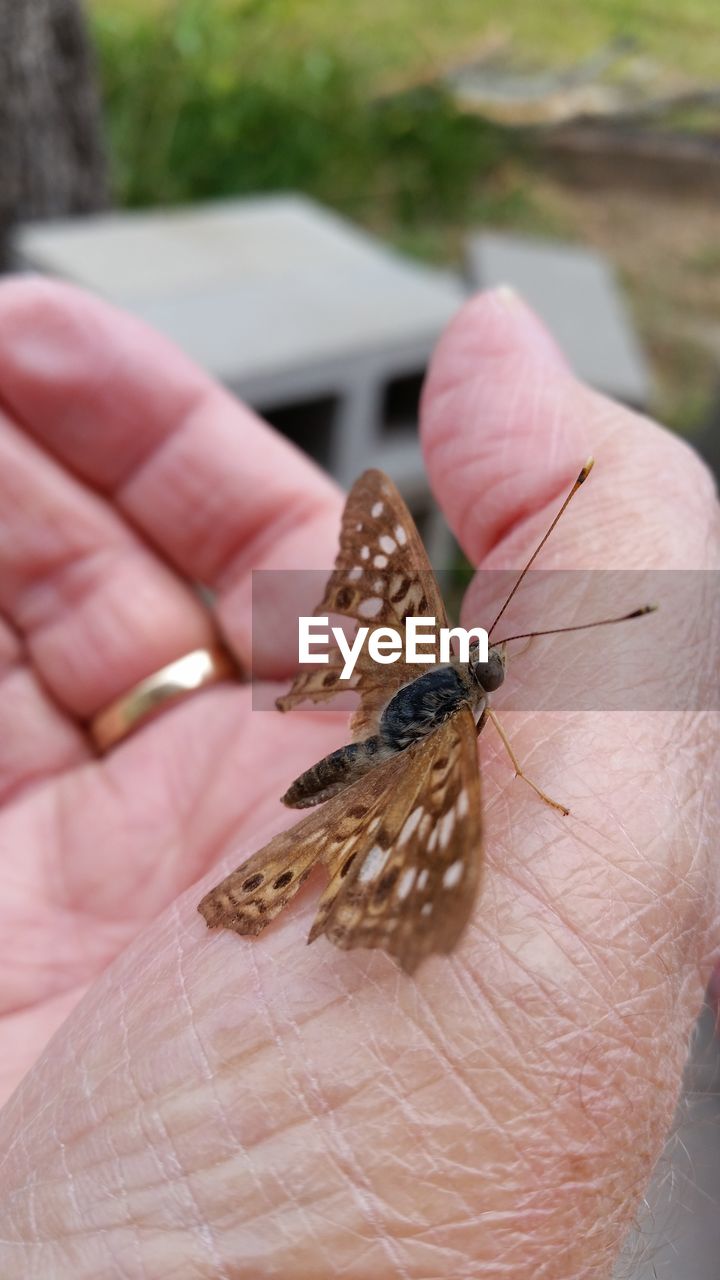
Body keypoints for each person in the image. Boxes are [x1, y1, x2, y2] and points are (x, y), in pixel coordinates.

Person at [0, 277, 717, 1278]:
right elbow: (482, 734)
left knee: (403, 756)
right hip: (380, 753)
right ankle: (311, 860)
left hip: (374, 744)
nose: (495, 686)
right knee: (433, 754)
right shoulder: (466, 710)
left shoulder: (438, 657)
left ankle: (308, 861)